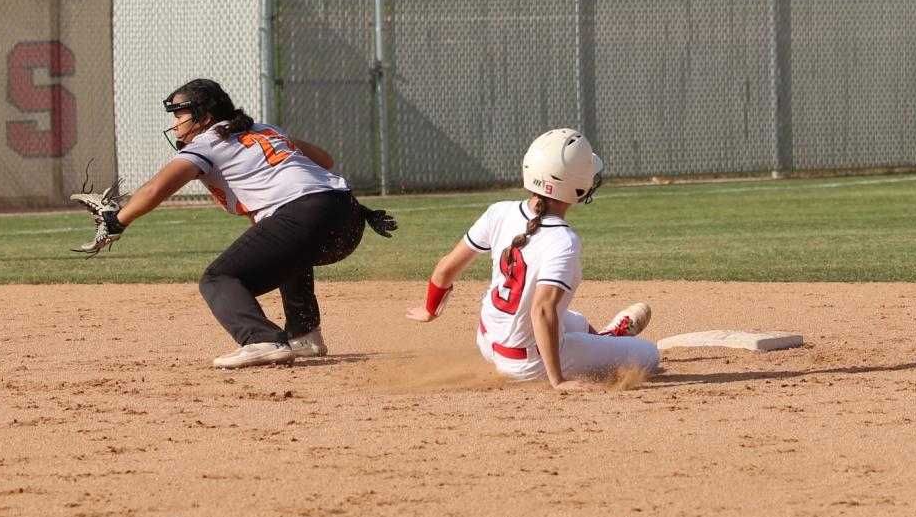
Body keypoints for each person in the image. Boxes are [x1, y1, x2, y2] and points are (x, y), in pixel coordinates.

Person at [72, 79, 396, 367]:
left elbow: (156, 189)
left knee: (217, 278)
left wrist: (117, 220)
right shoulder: (266, 130)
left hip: (306, 217)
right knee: (290, 252)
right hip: (349, 217)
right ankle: (305, 335)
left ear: (204, 116)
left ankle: (261, 340)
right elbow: (325, 160)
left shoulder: (206, 143)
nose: (175, 123)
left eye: (179, 114)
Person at [405, 127, 659, 390]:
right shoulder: (563, 239)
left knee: (576, 321)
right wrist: (557, 380)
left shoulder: (498, 212)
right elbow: (542, 310)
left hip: (487, 341)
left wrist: (430, 310)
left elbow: (445, 267)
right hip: (527, 365)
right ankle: (609, 340)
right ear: (577, 188)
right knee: (650, 355)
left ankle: (603, 340)